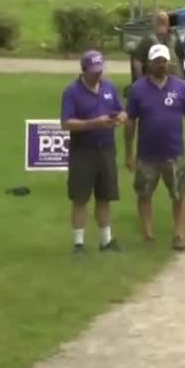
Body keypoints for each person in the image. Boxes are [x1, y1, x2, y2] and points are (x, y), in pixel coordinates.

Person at [124, 43, 185, 252]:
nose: (161, 65)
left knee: (179, 193)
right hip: (146, 155)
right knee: (144, 194)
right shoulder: (138, 89)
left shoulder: (180, 87)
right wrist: (128, 152)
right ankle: (148, 235)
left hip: (174, 153)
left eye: (164, 61)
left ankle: (179, 234)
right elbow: (130, 122)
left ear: (169, 62)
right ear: (149, 64)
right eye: (157, 62)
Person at [60, 51, 126, 254]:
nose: (98, 74)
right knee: (80, 198)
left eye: (100, 70)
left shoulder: (109, 87)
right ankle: (78, 243)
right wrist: (93, 123)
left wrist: (121, 116)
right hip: (83, 151)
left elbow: (120, 109)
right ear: (84, 70)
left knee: (104, 196)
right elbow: (66, 123)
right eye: (94, 71)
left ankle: (106, 240)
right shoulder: (72, 91)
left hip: (106, 149)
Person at [134, 11, 185, 81]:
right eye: (160, 22)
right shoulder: (147, 41)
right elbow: (137, 62)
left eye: (163, 22)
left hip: (171, 84)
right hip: (156, 83)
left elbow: (182, 60)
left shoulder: (175, 40)